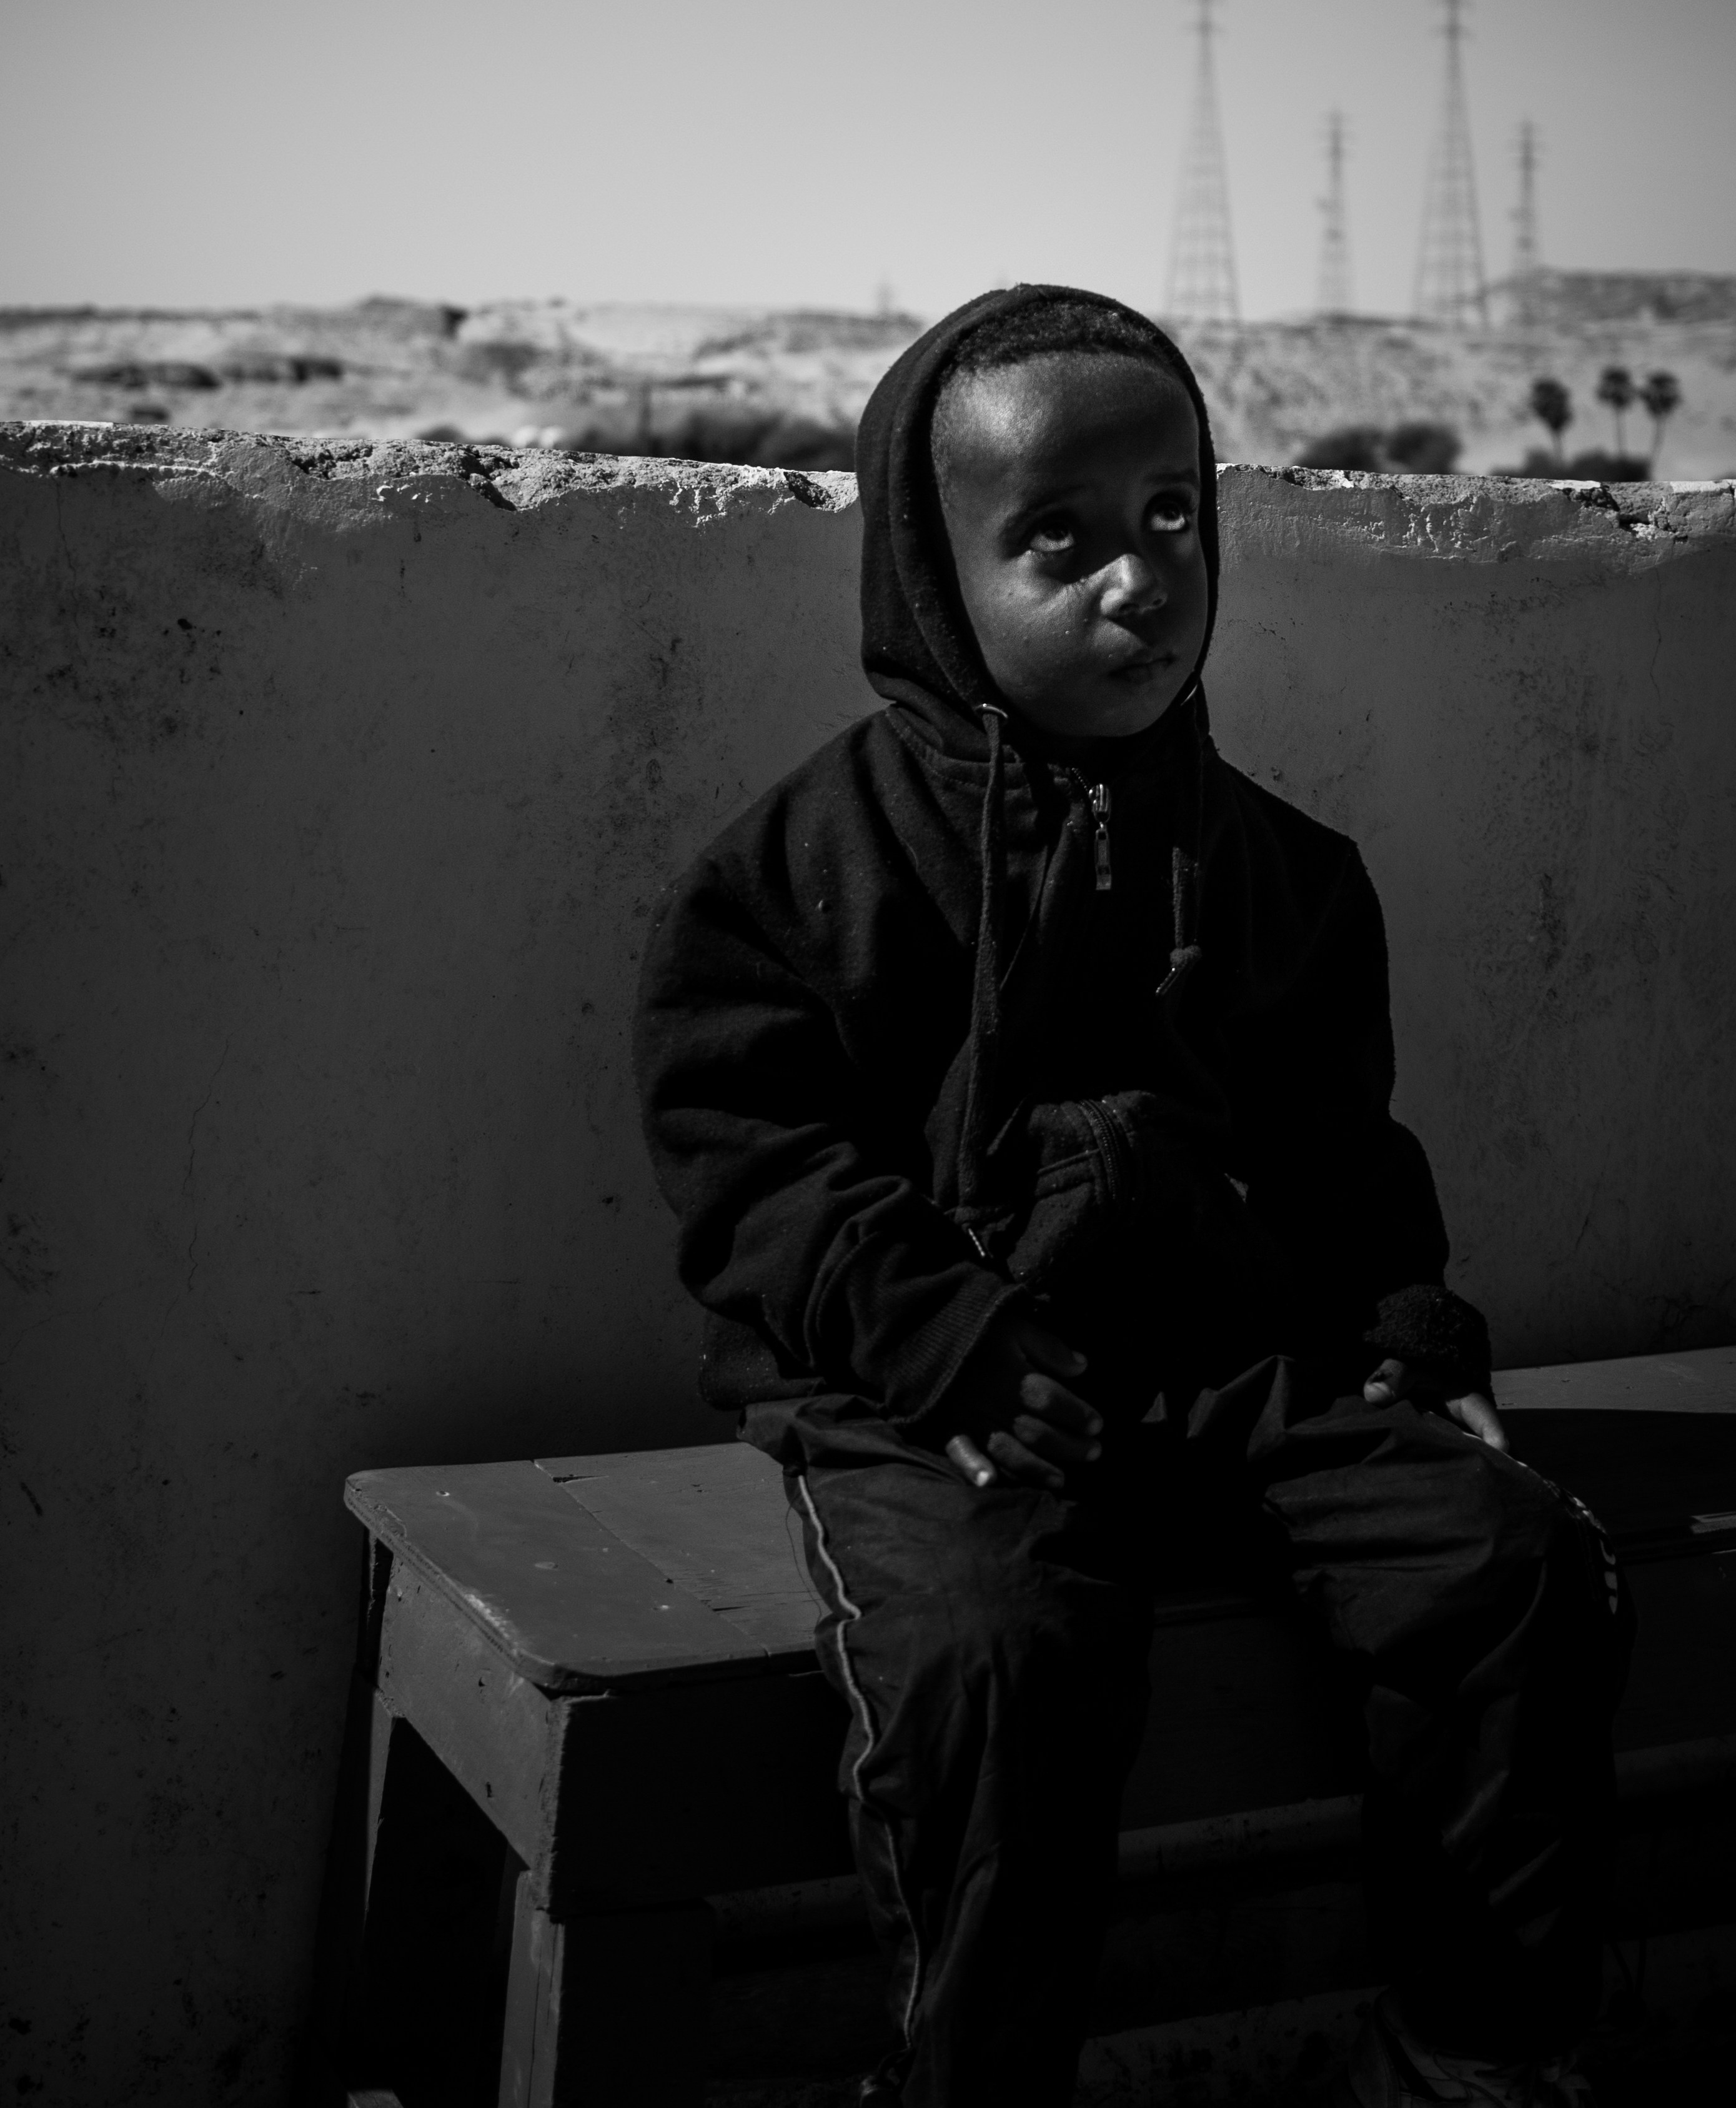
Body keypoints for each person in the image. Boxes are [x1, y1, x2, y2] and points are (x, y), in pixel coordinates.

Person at [633, 286, 1630, 2108]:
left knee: (1512, 1563)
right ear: (937, 574)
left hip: (1237, 1361)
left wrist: (1403, 1319)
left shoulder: (1282, 870)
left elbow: (1341, 1152)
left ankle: (1472, 2059)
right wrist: (938, 1330)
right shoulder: (799, 877)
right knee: (996, 1668)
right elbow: (754, 1160)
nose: (1137, 580)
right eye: (1059, 538)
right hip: (956, 1399)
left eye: (1171, 516)